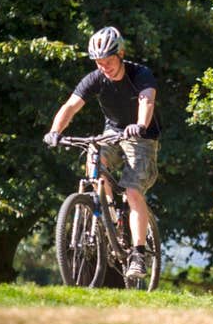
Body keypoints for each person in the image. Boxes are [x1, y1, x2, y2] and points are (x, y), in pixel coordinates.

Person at [43, 26, 160, 279]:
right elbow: (70, 106)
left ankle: (138, 254)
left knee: (131, 191)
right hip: (112, 132)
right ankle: (108, 218)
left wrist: (140, 125)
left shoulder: (140, 73)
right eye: (99, 62)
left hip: (141, 137)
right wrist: (55, 131)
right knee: (94, 157)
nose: (103, 66)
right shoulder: (95, 78)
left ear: (121, 54)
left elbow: (146, 100)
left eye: (108, 61)